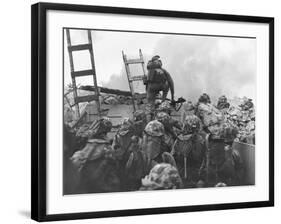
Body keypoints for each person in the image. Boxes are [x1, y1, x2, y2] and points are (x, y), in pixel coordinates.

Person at [71, 117, 121, 193]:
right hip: (102, 185)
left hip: (85, 184)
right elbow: (113, 166)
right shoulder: (107, 148)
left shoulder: (88, 144)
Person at [145, 55, 175, 122]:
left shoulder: (150, 72)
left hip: (152, 87)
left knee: (149, 106)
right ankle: (162, 104)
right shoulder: (163, 71)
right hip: (163, 87)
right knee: (167, 84)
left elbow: (147, 85)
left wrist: (149, 97)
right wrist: (172, 97)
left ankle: (148, 122)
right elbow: (171, 84)